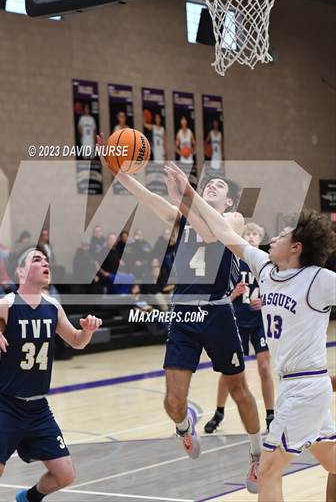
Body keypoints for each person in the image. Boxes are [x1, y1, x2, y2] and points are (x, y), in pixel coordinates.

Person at [98, 135, 263, 493]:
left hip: (218, 314)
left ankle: (256, 454)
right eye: (210, 184)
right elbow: (148, 197)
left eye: (219, 185)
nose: (214, 186)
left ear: (229, 199)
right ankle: (184, 428)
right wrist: (115, 169)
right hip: (185, 316)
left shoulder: (233, 219)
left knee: (240, 392)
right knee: (173, 401)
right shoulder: (184, 216)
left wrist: (187, 195)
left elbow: (207, 232)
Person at [164, 161, 336, 501]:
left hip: (306, 388)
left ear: (297, 248)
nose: (274, 238)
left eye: (283, 236)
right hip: (296, 386)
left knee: (269, 470)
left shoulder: (320, 280)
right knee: (333, 462)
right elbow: (223, 232)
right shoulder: (266, 269)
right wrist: (188, 192)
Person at [0, 247, 102, 502]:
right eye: (36, 259)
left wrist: (87, 331)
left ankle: (29, 498)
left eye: (46, 260)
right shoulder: (6, 304)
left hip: (38, 407)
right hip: (5, 404)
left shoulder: (53, 307)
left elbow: (76, 342)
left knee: (65, 475)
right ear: (21, 272)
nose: (45, 263)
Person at [205, 222, 275, 434]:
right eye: (248, 233)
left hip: (259, 322)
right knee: (230, 371)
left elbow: (279, 292)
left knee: (264, 366)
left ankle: (271, 414)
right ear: (241, 237)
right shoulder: (232, 263)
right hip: (235, 321)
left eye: (255, 233)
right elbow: (217, 298)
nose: (252, 236)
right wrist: (233, 294)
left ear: (260, 237)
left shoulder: (266, 263)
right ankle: (219, 412)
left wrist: (265, 301)